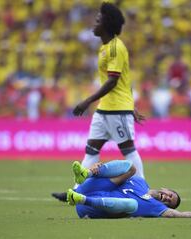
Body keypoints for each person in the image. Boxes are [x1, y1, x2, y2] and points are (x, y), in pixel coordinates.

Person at [52, 2, 145, 201]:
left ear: (107, 24)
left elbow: (113, 81)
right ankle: (77, 191)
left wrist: (87, 101)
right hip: (106, 109)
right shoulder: (105, 48)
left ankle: (141, 188)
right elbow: (124, 79)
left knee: (128, 149)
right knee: (91, 149)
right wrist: (132, 105)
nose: (94, 24)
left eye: (97, 20)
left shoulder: (115, 48)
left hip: (117, 109)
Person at [66, 160, 191, 219]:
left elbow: (178, 214)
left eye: (169, 202)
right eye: (170, 195)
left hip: (88, 208)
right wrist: (97, 166)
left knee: (132, 205)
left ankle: (79, 199)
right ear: (166, 188)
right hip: (89, 187)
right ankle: (85, 173)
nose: (166, 198)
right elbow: (114, 172)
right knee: (130, 167)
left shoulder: (155, 207)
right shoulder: (139, 181)